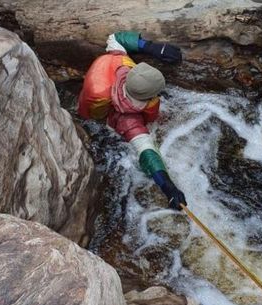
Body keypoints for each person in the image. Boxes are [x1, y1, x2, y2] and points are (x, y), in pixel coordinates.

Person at [77, 31, 187, 210]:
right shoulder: (127, 118)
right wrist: (167, 185)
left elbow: (115, 38)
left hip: (92, 90)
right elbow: (146, 150)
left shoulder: (120, 65)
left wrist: (152, 48)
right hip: (107, 120)